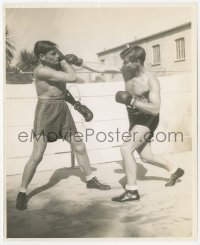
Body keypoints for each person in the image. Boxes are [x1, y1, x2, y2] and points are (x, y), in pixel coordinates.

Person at [16, 41, 111, 211]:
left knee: (79, 145)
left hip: (62, 108)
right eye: (52, 54)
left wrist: (76, 104)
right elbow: (72, 77)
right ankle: (22, 192)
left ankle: (90, 179)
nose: (57, 56)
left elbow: (62, 90)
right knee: (37, 155)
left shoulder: (55, 69)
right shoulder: (42, 70)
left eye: (56, 52)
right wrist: (64, 61)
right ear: (41, 57)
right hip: (45, 111)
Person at [111, 45, 184, 202]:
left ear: (137, 61)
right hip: (135, 119)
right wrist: (78, 61)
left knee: (126, 149)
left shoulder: (151, 81)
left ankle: (132, 191)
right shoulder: (127, 72)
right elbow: (102, 67)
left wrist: (131, 101)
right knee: (146, 157)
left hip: (148, 118)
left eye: (126, 62)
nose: (124, 65)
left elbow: (155, 109)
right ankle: (175, 170)